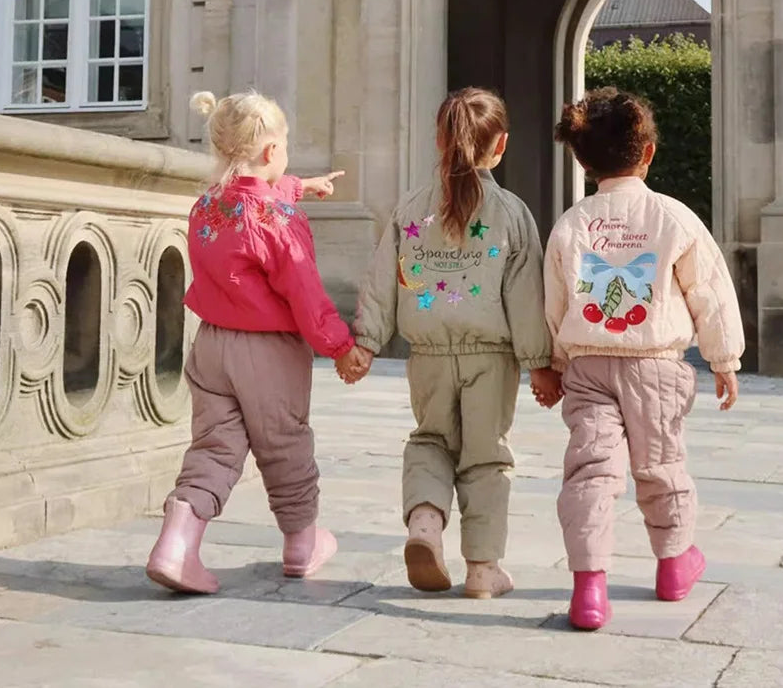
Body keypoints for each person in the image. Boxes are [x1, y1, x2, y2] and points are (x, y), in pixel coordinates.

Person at [145, 90, 366, 594]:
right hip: (267, 352)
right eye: (283, 148)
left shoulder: (206, 206)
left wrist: (296, 186)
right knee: (285, 444)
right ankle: (301, 542)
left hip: (211, 346)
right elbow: (306, 294)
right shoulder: (280, 220)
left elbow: (246, 202)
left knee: (214, 449)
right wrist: (340, 346)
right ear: (270, 151)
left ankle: (176, 543)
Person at [344, 88, 560, 598]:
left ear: (439, 140)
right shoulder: (512, 213)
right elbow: (527, 296)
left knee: (430, 441)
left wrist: (366, 343)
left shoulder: (410, 209)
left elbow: (381, 280)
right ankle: (483, 569)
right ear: (500, 145)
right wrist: (541, 364)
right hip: (492, 357)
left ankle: (424, 522)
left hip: (429, 357)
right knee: (486, 456)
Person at [544, 87, 744, 630]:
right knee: (661, 466)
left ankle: (589, 588)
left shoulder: (573, 222)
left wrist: (556, 362)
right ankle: (675, 565)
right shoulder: (672, 216)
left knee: (590, 472)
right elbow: (708, 291)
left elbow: (555, 300)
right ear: (649, 152)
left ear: (583, 163)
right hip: (655, 363)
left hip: (587, 368)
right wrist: (724, 358)